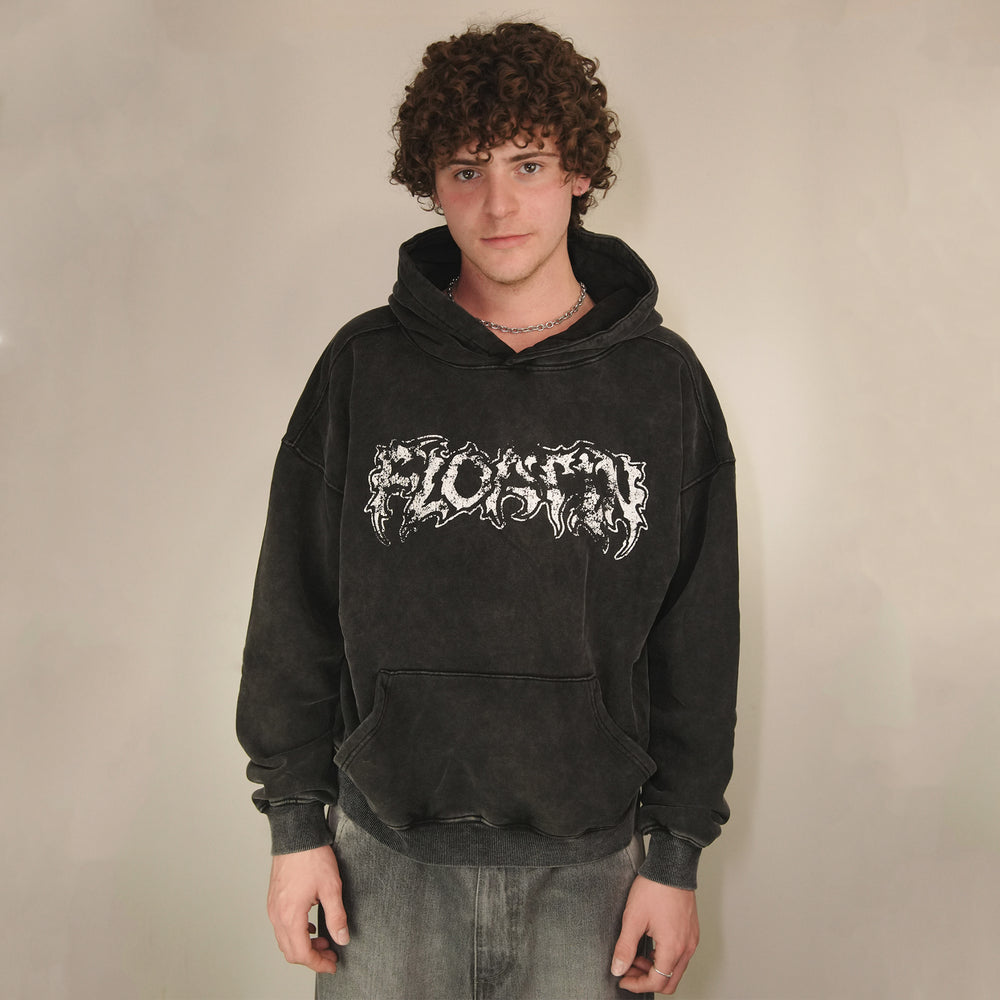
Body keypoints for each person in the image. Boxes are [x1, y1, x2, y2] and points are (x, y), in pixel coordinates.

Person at [237, 20, 738, 1000]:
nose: (499, 203)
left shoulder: (661, 384)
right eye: (467, 170)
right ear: (432, 181)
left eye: (528, 163)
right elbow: (292, 607)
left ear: (579, 171)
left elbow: (698, 638)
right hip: (384, 862)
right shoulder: (365, 367)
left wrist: (675, 856)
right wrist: (294, 828)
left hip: (593, 872)